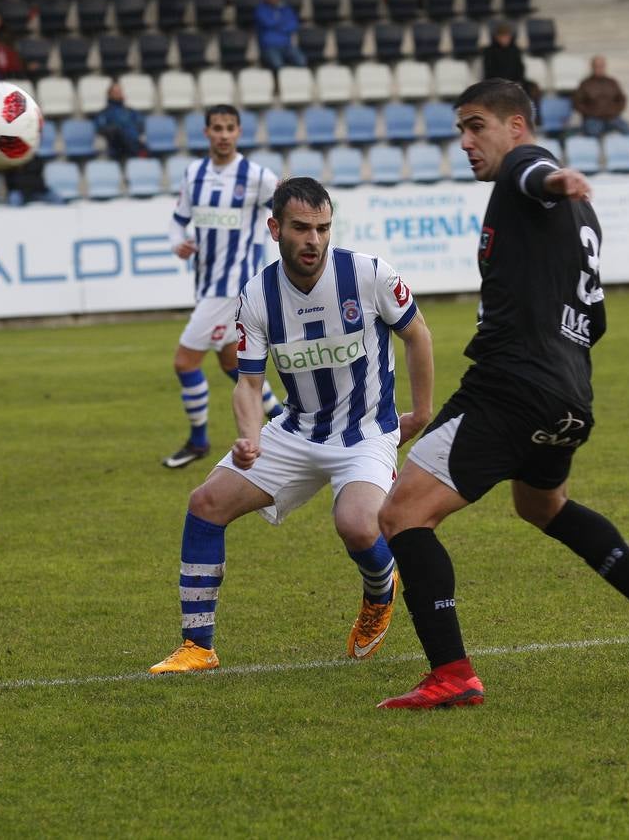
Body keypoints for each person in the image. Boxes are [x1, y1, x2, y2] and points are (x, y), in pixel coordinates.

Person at [374, 79, 629, 709]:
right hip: (568, 395)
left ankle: (452, 672)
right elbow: (596, 319)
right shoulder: (584, 219)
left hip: (510, 384)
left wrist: (554, 180)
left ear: (515, 126)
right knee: (543, 507)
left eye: (477, 127)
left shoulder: (527, 173)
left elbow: (536, 173)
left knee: (400, 515)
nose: (466, 142)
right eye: (459, 131)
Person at [148, 177, 435, 674]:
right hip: (296, 429)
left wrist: (422, 412)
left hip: (365, 432)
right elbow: (246, 381)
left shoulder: (368, 274)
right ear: (274, 227)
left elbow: (418, 335)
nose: (314, 240)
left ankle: (380, 589)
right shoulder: (257, 295)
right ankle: (198, 647)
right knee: (205, 504)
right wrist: (249, 437)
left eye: (323, 228)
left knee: (357, 525)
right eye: (302, 228)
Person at [162, 104, 289, 468]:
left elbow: (288, 203)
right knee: (232, 363)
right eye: (216, 127)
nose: (223, 134)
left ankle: (198, 440)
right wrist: (178, 243)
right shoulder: (194, 174)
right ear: (206, 132)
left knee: (185, 362)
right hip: (206, 284)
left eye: (229, 128)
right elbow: (177, 222)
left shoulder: (255, 175)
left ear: (238, 132)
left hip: (232, 286)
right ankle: (285, 421)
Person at [572, 55, 629, 139]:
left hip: (612, 117)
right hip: (593, 118)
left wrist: (615, 111)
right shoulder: (585, 84)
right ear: (592, 67)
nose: (599, 69)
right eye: (597, 66)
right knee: (592, 133)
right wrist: (590, 113)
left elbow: (621, 99)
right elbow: (577, 102)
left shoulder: (612, 82)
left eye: (601, 66)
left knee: (628, 131)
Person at [254, 0, 306, 70]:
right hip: (269, 47)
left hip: (286, 46)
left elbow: (293, 25)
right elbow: (268, 23)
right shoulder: (260, 9)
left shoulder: (286, 9)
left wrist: (276, 25)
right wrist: (283, 23)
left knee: (302, 61)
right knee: (277, 64)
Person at [91, 83, 145, 160]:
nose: (119, 94)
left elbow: (140, 124)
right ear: (110, 95)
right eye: (116, 92)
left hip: (133, 144)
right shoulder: (104, 113)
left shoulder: (131, 112)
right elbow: (100, 127)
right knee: (117, 131)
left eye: (120, 92)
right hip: (115, 147)